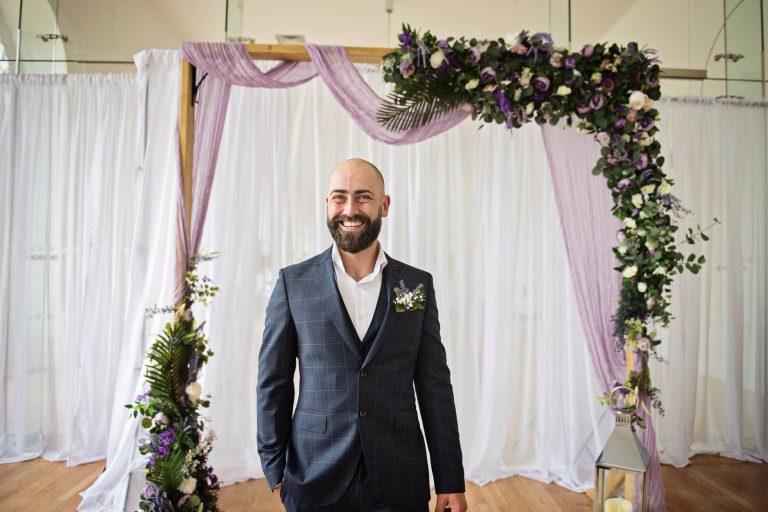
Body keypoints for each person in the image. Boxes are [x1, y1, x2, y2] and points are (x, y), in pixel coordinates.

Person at [257, 158, 467, 512]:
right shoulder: (293, 284)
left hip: (399, 474)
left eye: (363, 197)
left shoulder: (417, 285)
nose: (350, 209)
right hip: (313, 473)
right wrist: (274, 465)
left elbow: (434, 387)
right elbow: (273, 382)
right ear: (327, 204)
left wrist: (449, 479)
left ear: (384, 205)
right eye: (339, 197)